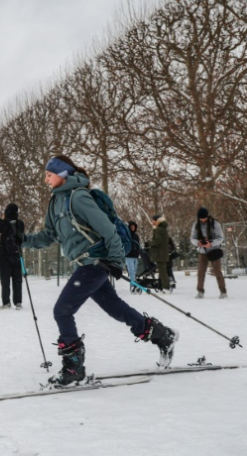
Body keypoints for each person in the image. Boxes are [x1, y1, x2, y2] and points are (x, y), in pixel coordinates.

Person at [21, 155, 179, 386]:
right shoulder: (55, 202)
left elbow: (107, 230)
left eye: (49, 174)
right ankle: (162, 335)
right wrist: (22, 240)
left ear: (63, 173)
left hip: (97, 263)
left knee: (62, 311)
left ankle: (74, 369)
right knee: (116, 309)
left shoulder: (79, 197)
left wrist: (115, 260)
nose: (45, 179)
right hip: (84, 265)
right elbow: (49, 235)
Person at [0, 203, 25, 309]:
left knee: (5, 280)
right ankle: (18, 302)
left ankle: (6, 302)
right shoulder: (20, 223)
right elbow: (21, 234)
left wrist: (2, 219)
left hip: (4, 256)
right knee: (17, 280)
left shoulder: (4, 223)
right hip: (17, 254)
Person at [191, 207, 227, 299]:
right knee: (201, 272)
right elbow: (192, 238)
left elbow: (220, 238)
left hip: (214, 251)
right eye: (201, 218)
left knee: (217, 272)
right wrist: (198, 243)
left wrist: (211, 244)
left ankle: (223, 291)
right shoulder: (196, 225)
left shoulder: (215, 224)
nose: (203, 220)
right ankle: (200, 291)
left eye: (204, 218)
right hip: (202, 252)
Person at [149, 214, 170, 292]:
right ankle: (161, 287)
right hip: (163, 253)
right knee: (162, 271)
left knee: (162, 272)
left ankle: (166, 288)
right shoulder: (163, 229)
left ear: (157, 221)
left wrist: (149, 243)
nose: (152, 222)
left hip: (160, 254)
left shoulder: (158, 230)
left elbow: (157, 241)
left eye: (153, 220)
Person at [126, 221, 141, 293]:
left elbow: (138, 245)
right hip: (129, 256)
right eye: (131, 226)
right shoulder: (127, 235)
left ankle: (133, 285)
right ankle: (133, 286)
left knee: (134, 272)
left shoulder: (136, 236)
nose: (133, 228)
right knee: (131, 272)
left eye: (134, 227)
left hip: (135, 256)